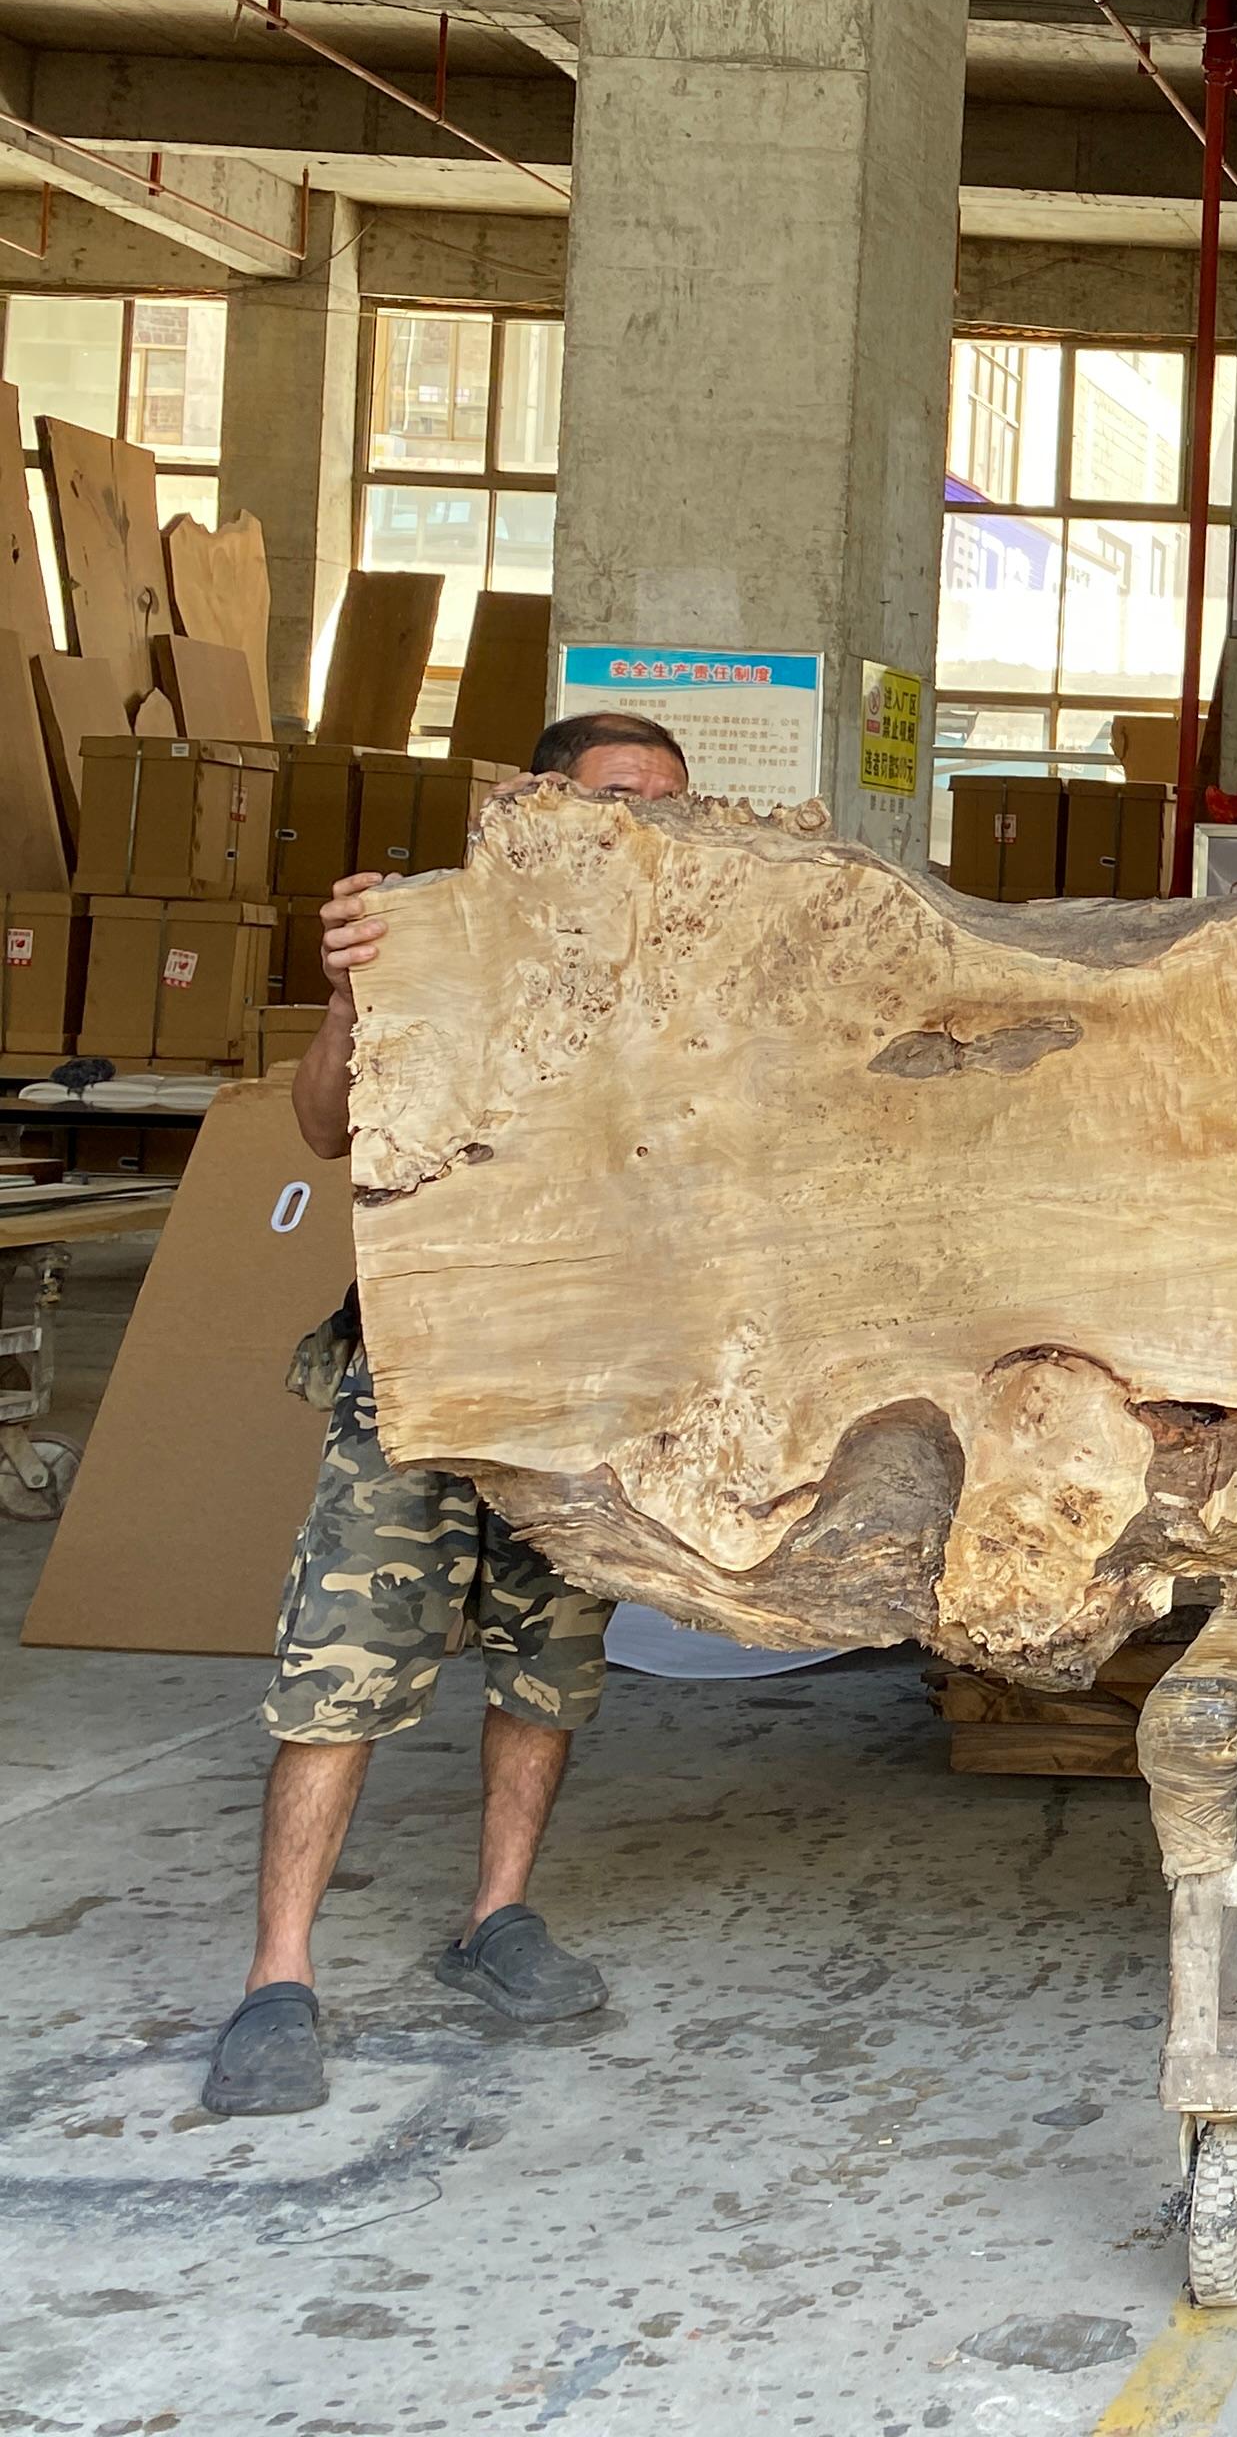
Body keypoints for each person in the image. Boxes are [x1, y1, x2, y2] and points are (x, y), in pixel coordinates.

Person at [201, 710, 692, 2119]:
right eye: (620, 793)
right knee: (340, 1670)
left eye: (670, 798)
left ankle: (498, 1914)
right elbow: (322, 1128)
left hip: (576, 1382)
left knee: (550, 1669)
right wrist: (348, 1000)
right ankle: (278, 1979)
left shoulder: (683, 953)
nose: (648, 818)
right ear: (542, 800)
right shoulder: (430, 925)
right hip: (420, 1374)